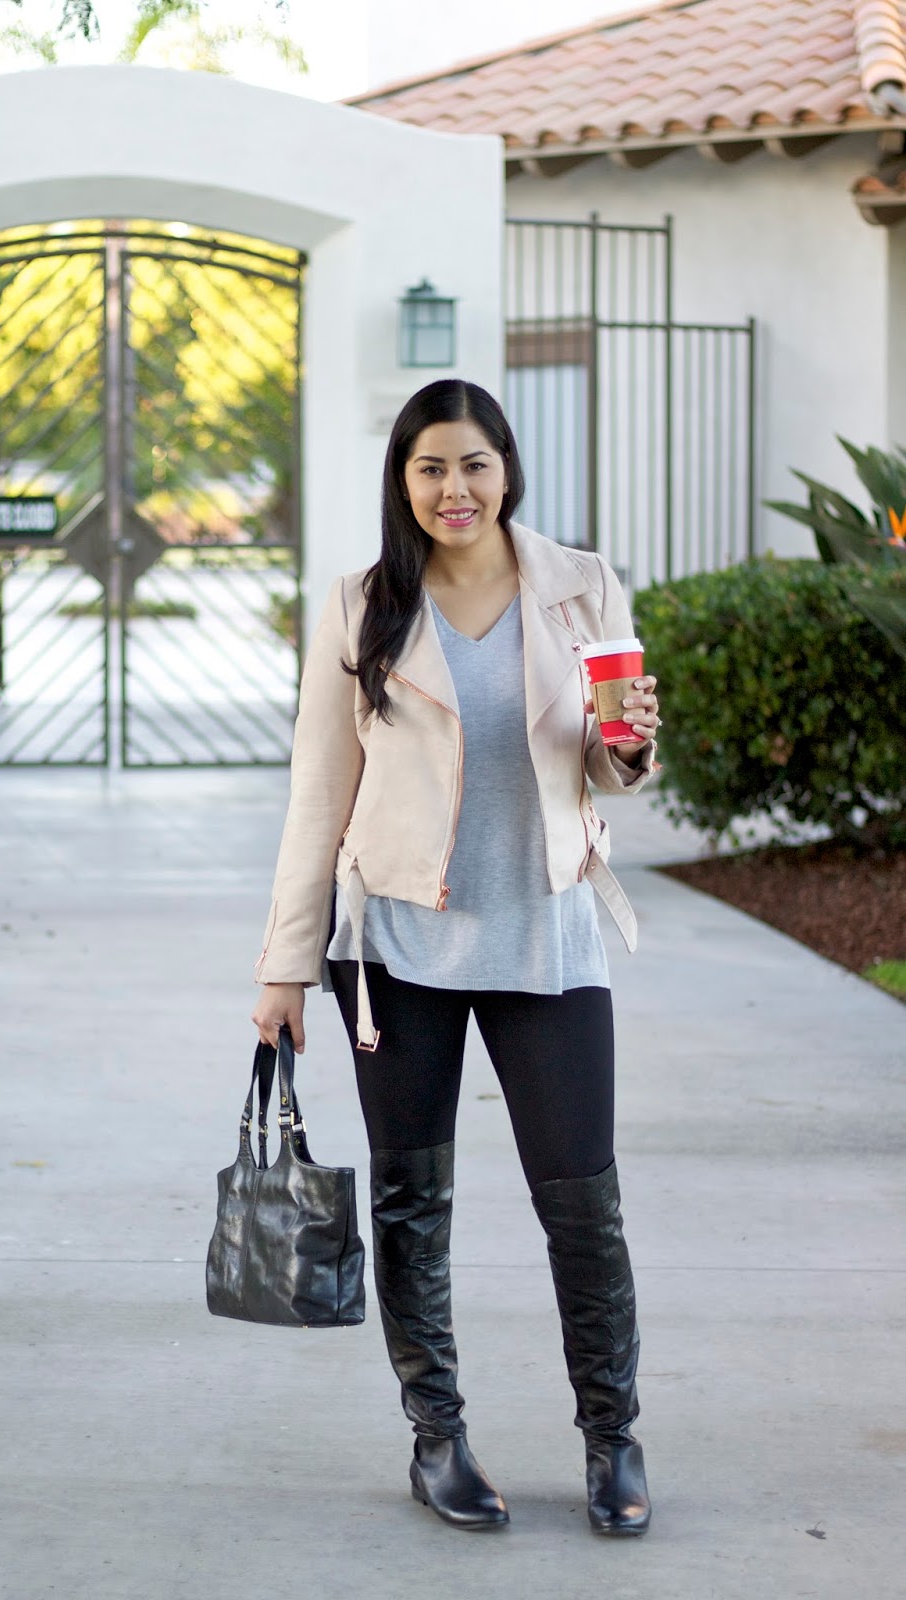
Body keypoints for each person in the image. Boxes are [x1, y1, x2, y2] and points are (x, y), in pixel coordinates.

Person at [251, 378, 659, 1536]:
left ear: (506, 469)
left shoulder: (577, 586)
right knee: (410, 1203)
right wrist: (283, 965)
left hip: (546, 931)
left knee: (583, 1205)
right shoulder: (361, 605)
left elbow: (612, 754)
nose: (453, 489)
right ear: (402, 481)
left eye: (472, 464)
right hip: (393, 948)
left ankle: (612, 1441)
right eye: (429, 468)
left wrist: (629, 754)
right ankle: (437, 1437)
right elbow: (316, 794)